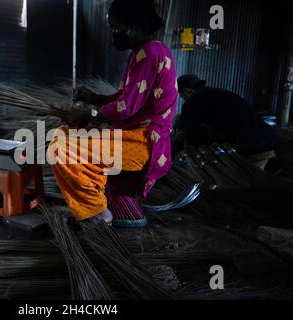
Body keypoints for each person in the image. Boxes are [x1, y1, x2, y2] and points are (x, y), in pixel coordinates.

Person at [50, 0, 178, 227]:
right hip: (133, 136)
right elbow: (126, 98)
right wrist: (93, 98)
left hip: (143, 142)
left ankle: (96, 211)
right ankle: (96, 201)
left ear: (134, 26)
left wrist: (88, 113)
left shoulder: (149, 54)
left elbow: (126, 107)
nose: (114, 35)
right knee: (65, 133)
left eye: (117, 29)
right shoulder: (146, 51)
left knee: (61, 147)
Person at [173, 74, 275, 170]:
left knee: (241, 183)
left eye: (182, 96)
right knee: (253, 182)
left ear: (188, 91)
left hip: (248, 146)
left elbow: (181, 136)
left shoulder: (193, 101)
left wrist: (166, 156)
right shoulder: (219, 94)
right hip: (265, 140)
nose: (183, 100)